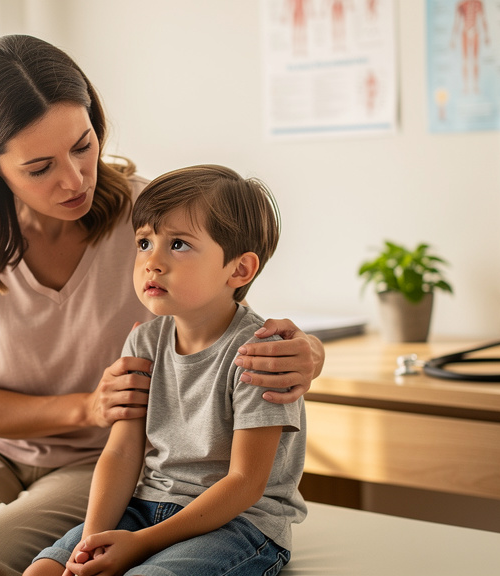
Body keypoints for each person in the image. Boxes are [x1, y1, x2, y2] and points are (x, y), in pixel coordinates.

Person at [0, 35, 324, 576]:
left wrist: (308, 352)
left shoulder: (151, 220)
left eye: (83, 145)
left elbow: (225, 320)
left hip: (101, 460)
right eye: (40, 167)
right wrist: (85, 406)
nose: (75, 179)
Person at [24, 165, 306, 576]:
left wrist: (140, 545)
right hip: (146, 506)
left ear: (239, 270)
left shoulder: (260, 354)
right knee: (43, 572)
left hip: (238, 525)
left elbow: (246, 483)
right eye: (144, 242)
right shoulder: (144, 342)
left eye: (178, 244)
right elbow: (121, 452)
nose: (152, 261)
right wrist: (92, 544)